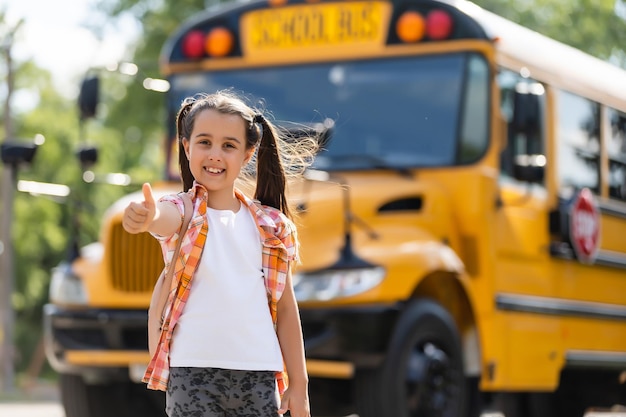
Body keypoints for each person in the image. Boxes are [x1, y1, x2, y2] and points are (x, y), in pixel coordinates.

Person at [122, 90, 317, 417]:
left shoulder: (271, 226)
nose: (215, 154)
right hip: (192, 372)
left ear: (248, 153)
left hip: (258, 376)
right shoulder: (183, 210)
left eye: (229, 145)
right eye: (204, 142)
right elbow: (164, 218)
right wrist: (147, 217)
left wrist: (299, 385)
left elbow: (285, 310)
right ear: (185, 146)